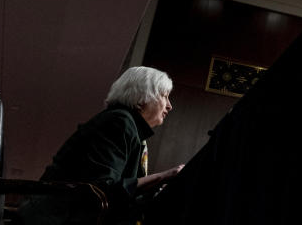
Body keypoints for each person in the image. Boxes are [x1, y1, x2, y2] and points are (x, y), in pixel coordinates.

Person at [18, 66, 184, 224]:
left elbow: (120, 193)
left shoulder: (130, 128)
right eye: (164, 95)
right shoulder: (119, 122)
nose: (169, 105)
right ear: (142, 98)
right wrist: (163, 176)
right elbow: (101, 189)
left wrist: (155, 188)